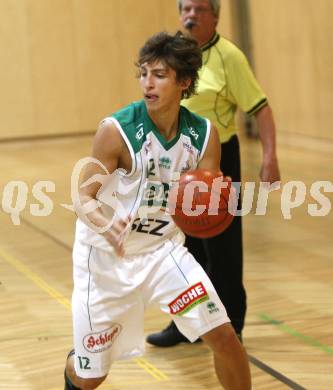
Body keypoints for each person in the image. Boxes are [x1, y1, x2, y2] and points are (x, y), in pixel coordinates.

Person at [64, 31, 251, 390]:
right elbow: (82, 198)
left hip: (163, 253)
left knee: (225, 338)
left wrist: (214, 205)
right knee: (90, 377)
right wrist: (105, 224)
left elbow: (206, 201)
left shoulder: (204, 135)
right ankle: (75, 364)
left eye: (160, 75)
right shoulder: (116, 131)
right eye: (144, 73)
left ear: (184, 82)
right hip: (106, 260)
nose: (147, 83)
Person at [147, 0, 280, 347]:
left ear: (216, 16)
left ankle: (231, 324)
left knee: (222, 247)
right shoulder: (172, 54)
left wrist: (269, 157)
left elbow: (261, 110)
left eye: (200, 9)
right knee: (181, 249)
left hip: (220, 159)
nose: (191, 15)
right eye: (186, 9)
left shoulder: (229, 57)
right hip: (178, 163)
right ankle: (186, 324)